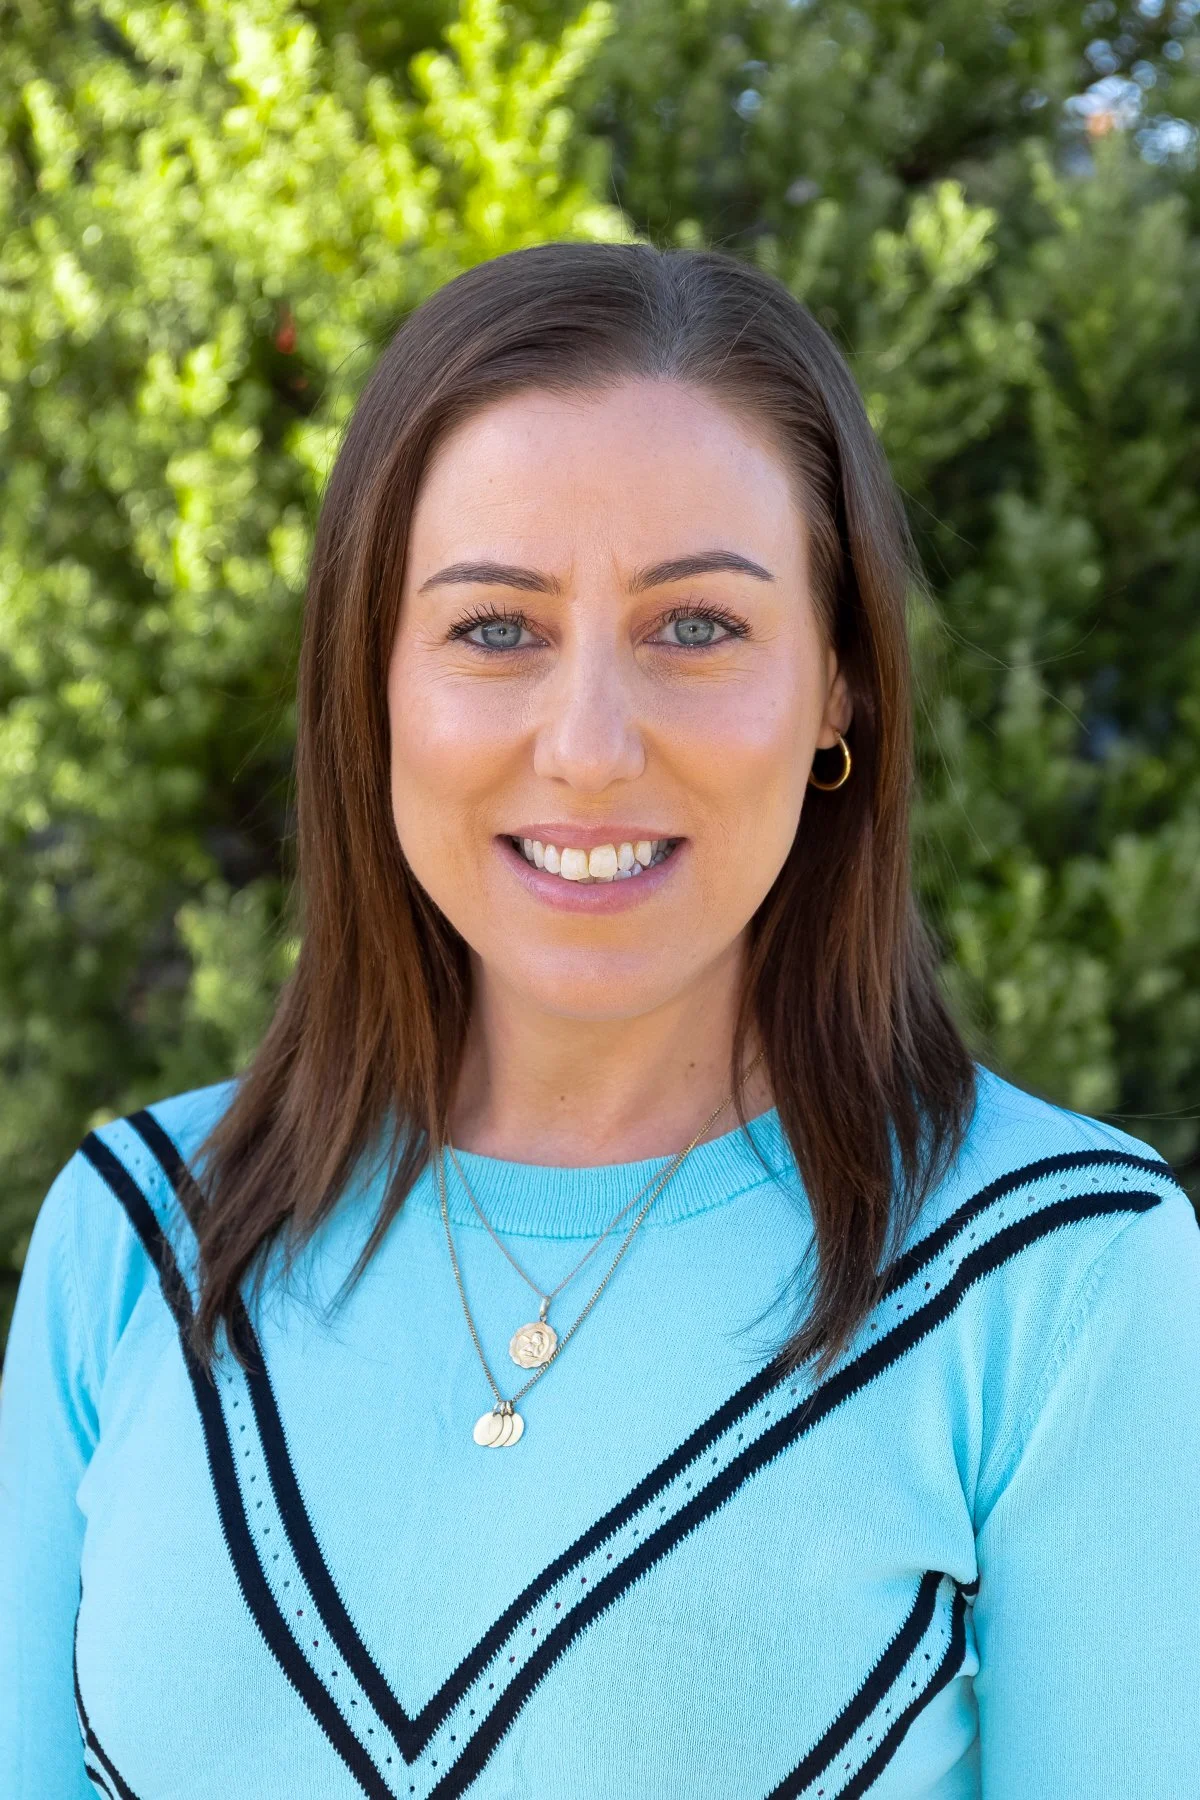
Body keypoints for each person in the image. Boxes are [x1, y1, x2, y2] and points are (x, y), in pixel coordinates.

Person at [2, 241, 1198, 1800]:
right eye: (494, 629)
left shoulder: (1065, 1282)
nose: (586, 747)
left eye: (695, 626)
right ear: (373, 684)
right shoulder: (136, 1239)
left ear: (837, 686)